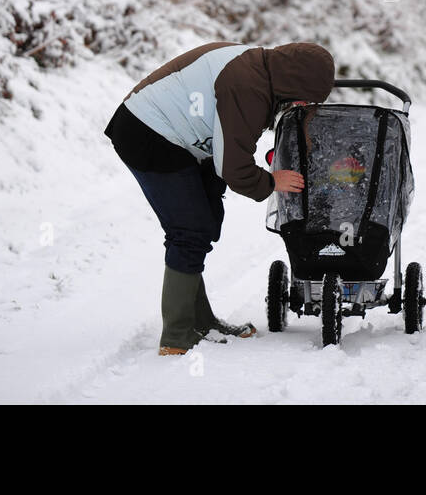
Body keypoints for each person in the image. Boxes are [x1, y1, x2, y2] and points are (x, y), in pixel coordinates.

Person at [104, 41, 336, 355]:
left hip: (178, 139)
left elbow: (227, 146)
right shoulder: (247, 86)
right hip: (148, 133)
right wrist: (270, 181)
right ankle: (177, 335)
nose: (301, 105)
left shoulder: (260, 69)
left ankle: (200, 320)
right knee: (189, 230)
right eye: (305, 98)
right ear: (295, 82)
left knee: (206, 219)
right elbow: (233, 167)